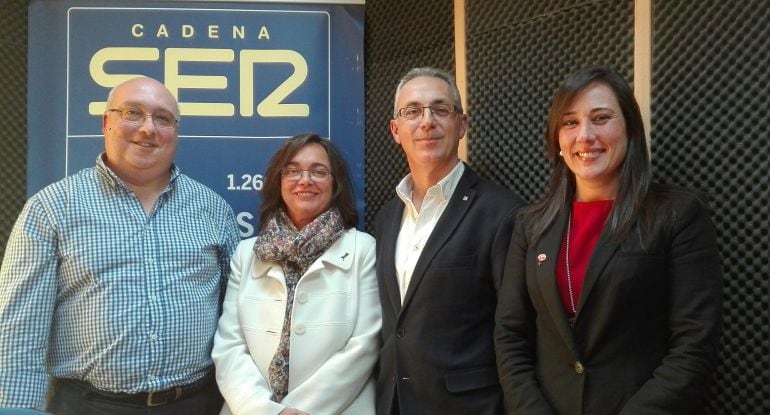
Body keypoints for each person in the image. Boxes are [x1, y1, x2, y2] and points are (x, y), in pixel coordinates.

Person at [0, 76, 240, 414]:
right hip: (89, 406)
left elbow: (240, 316)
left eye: (163, 118)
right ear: (106, 123)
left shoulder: (212, 209)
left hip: (196, 404)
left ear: (175, 132)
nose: (148, 128)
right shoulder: (51, 208)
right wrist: (17, 410)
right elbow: (19, 330)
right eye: (132, 113)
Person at [494, 67, 723, 414]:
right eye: (570, 122)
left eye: (601, 118)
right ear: (557, 139)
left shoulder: (677, 215)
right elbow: (510, 335)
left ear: (630, 129)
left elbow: (695, 344)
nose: (585, 135)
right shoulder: (531, 224)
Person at [374, 67, 526, 414]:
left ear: (462, 125)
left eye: (440, 109)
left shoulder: (502, 213)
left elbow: (517, 332)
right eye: (413, 111)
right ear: (396, 130)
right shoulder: (386, 219)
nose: (427, 121)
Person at [212, 133, 381, 415]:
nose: (305, 180)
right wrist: (265, 410)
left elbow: (365, 344)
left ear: (335, 183)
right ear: (278, 181)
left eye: (319, 171)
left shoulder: (363, 249)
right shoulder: (246, 253)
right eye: (292, 171)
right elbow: (230, 345)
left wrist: (299, 411)